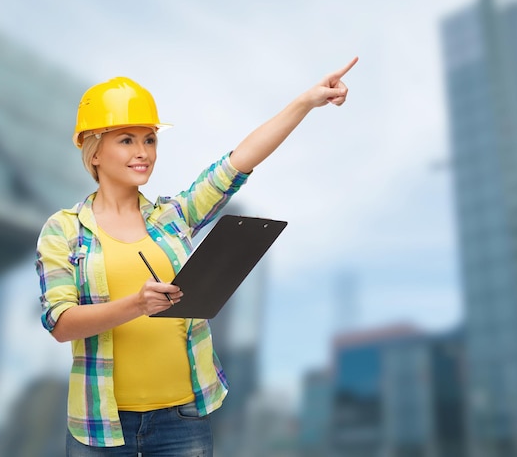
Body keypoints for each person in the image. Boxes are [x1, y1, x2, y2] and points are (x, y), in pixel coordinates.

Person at [36, 57, 357, 456]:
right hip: (102, 426)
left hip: (182, 421)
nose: (144, 152)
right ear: (94, 151)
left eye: (149, 139)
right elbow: (61, 324)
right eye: (127, 140)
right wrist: (137, 304)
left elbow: (239, 161)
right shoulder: (64, 230)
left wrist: (307, 101)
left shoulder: (175, 216)